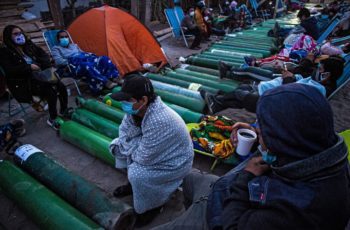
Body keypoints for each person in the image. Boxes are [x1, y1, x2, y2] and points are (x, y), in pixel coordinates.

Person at [153, 83, 350, 230]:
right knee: (188, 178)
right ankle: (189, 211)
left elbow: (232, 226)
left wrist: (246, 176)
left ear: (282, 141)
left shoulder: (298, 209)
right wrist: (257, 137)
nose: (258, 131)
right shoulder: (321, 153)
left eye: (264, 131)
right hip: (221, 190)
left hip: (220, 215)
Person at [108, 74, 194, 225]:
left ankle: (154, 205)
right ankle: (133, 188)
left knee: (137, 174)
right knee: (117, 146)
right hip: (152, 150)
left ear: (144, 100)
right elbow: (123, 131)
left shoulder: (159, 119)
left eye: (128, 100)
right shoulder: (136, 110)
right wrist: (131, 144)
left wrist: (131, 144)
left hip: (175, 161)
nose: (124, 104)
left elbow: (144, 157)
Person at [204, 56, 344, 114]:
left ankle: (217, 102)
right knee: (244, 89)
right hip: (277, 92)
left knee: (243, 93)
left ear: (328, 75)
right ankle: (217, 104)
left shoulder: (321, 90)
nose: (317, 70)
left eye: (320, 69)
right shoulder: (318, 81)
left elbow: (293, 94)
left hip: (278, 103)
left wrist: (289, 78)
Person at [0, 25, 68, 128]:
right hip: (24, 81)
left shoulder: (28, 45)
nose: (20, 35)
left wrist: (42, 65)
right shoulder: (4, 52)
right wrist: (29, 67)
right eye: (15, 34)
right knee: (50, 90)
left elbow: (44, 55)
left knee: (61, 86)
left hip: (40, 74)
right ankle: (52, 118)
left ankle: (64, 111)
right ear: (9, 37)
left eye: (20, 32)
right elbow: (10, 71)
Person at [51, 30, 119, 94]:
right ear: (58, 39)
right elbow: (59, 62)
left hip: (83, 61)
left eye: (66, 36)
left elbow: (82, 53)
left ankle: (114, 77)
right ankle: (106, 82)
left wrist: (88, 55)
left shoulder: (74, 46)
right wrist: (74, 60)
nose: (64, 38)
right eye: (62, 37)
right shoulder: (56, 49)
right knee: (87, 65)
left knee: (104, 58)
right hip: (71, 67)